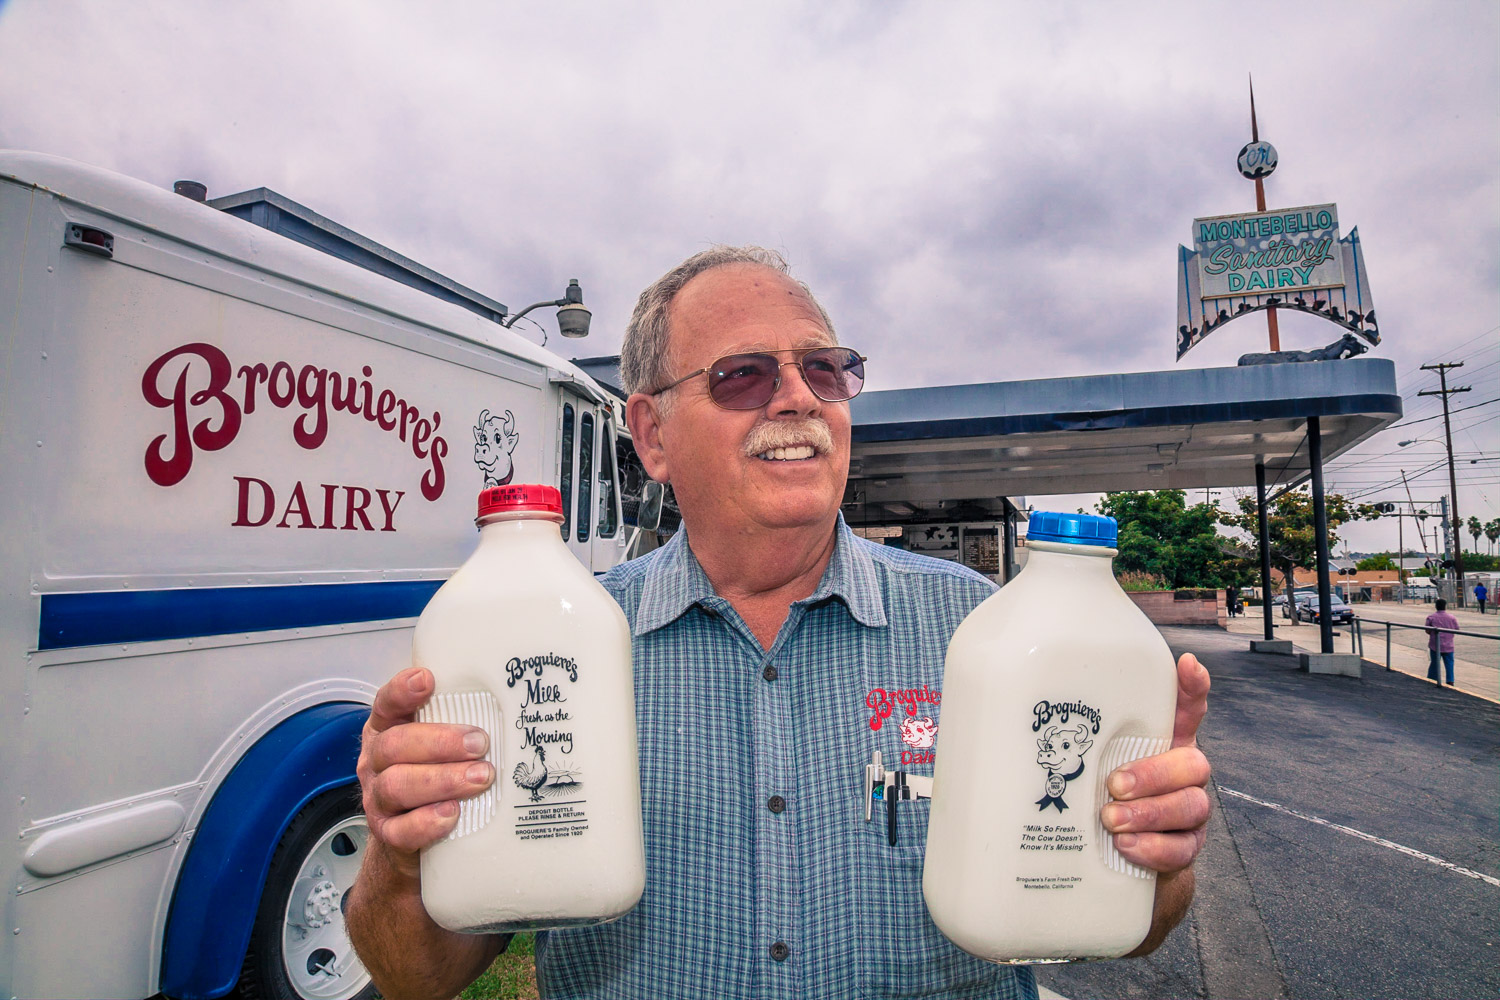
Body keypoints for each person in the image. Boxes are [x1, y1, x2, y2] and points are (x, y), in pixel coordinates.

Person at [346, 247, 1213, 999]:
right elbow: (414, 978)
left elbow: (1132, 925)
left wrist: (1155, 858)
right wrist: (401, 851)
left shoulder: (983, 633)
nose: (798, 397)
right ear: (651, 433)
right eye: (743, 374)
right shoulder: (550, 652)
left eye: (825, 370)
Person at [1424, 598, 1459, 685]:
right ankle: (1450, 680)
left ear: (1436, 606)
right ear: (1445, 606)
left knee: (1434, 663)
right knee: (1449, 663)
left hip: (1435, 644)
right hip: (1449, 645)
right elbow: (1456, 629)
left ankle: (1432, 679)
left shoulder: (1431, 617)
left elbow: (1427, 630)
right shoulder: (1451, 617)